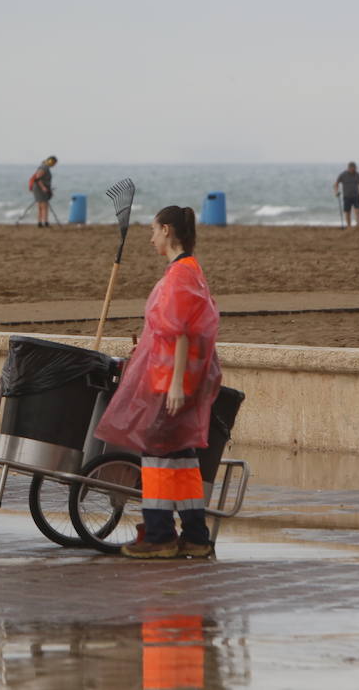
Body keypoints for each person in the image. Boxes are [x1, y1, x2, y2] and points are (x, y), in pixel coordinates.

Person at [94, 205, 222, 560]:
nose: (150, 238)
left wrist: (177, 384)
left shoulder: (180, 274)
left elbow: (180, 332)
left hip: (172, 383)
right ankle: (196, 535)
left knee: (157, 455)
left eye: (152, 231)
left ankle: (159, 534)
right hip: (182, 380)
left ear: (167, 230)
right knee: (182, 458)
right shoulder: (191, 271)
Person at [28, 155, 57, 227]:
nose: (54, 165)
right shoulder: (44, 167)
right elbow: (37, 178)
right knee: (43, 206)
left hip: (41, 188)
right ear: (51, 161)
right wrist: (43, 188)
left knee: (42, 206)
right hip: (39, 189)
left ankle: (41, 222)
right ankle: (44, 222)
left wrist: (49, 189)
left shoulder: (45, 167)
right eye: (54, 163)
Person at [333, 161, 359, 228]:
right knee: (347, 212)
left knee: (357, 210)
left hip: (356, 195)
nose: (354, 170)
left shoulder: (357, 174)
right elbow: (336, 183)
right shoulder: (343, 174)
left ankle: (358, 224)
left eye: (355, 168)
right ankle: (349, 226)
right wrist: (336, 192)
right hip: (347, 196)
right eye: (353, 168)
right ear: (349, 168)